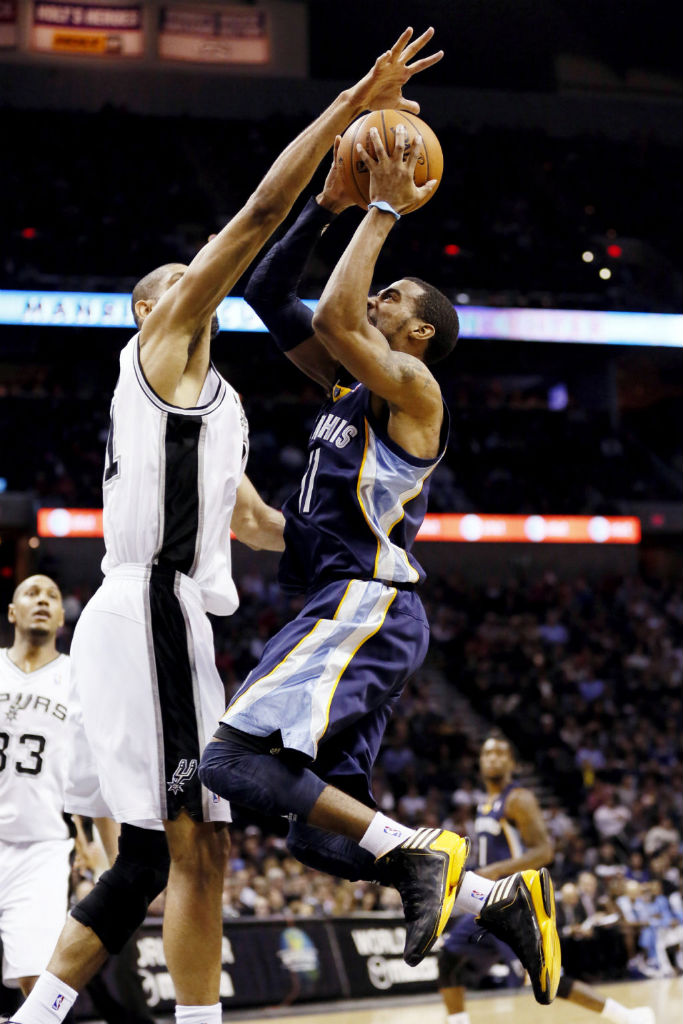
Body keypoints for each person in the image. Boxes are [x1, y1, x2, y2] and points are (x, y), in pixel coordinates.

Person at [10, 27, 447, 1024]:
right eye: (174, 281)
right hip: (148, 608)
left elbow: (252, 524)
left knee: (157, 855)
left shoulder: (221, 410)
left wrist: (329, 558)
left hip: (170, 616)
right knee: (202, 837)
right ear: (145, 308)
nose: (188, 284)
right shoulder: (162, 342)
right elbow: (254, 226)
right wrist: (346, 119)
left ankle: (33, 1017)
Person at [199, 123, 560, 1005]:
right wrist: (327, 206)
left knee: (228, 765)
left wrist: (385, 209)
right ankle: (495, 896)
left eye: (391, 296)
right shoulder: (344, 384)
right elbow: (269, 291)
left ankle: (431, 855)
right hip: (345, 601)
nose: (373, 298)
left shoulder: (414, 391)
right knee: (318, 833)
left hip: (364, 604)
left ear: (420, 331)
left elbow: (327, 313)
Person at [437, 736, 656, 1024]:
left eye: (501, 752)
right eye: (488, 753)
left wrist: (493, 870)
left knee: (548, 979)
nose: (493, 757)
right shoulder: (484, 804)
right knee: (449, 958)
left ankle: (628, 1016)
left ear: (512, 763)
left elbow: (544, 851)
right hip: (485, 902)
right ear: (479, 761)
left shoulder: (518, 799)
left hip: (513, 903)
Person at [0, 576, 115, 1004]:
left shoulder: (77, 679)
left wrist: (114, 862)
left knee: (38, 983)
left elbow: (96, 776)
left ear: (63, 618)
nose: (42, 600)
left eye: (51, 595)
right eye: (31, 593)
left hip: (42, 848)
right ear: (13, 612)